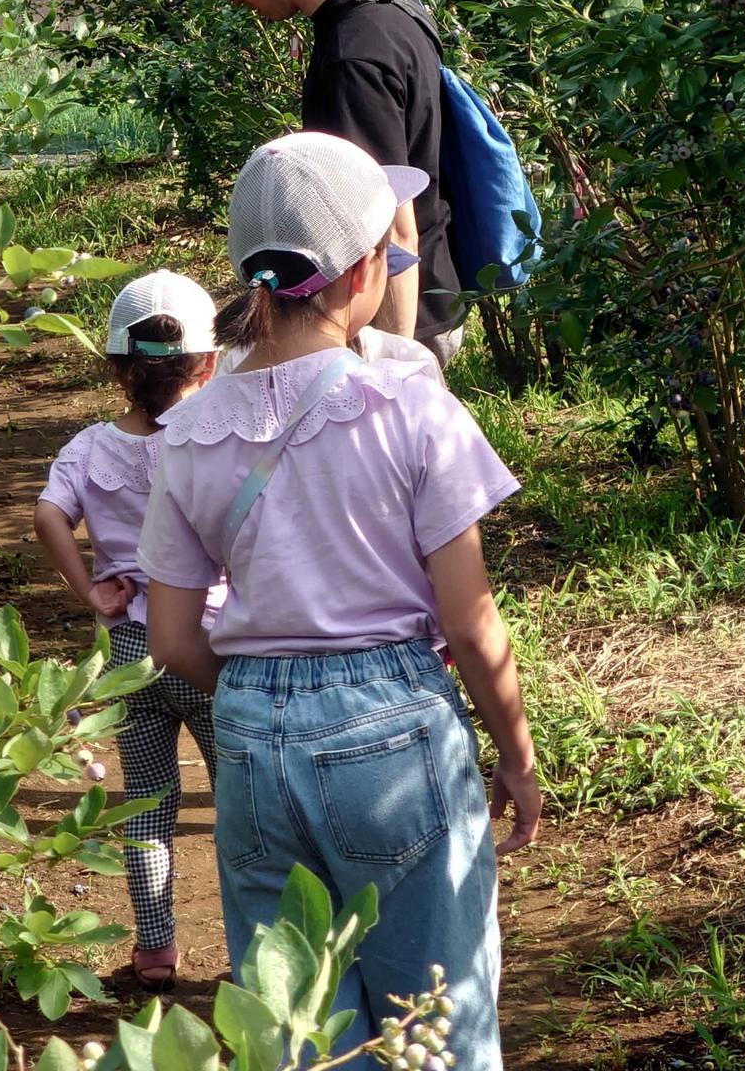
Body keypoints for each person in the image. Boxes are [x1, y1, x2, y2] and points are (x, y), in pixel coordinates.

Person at [138, 130, 539, 1068]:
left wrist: (254, 693)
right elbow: (472, 626)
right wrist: (515, 757)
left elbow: (168, 637)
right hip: (392, 728)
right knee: (433, 1024)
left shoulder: (188, 432)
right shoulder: (408, 407)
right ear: (363, 273)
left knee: (298, 1030)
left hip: (247, 737)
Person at [175, 0, 464, 369]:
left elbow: (393, 230)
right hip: (428, 294)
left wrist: (392, 367)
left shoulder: (352, 59)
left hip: (394, 322)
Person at [33, 270, 224, 990]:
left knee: (146, 797)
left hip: (133, 650)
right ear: (208, 364)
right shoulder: (213, 438)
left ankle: (153, 951)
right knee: (238, 799)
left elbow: (48, 515)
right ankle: (255, 942)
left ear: (117, 366)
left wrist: (89, 589)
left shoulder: (89, 447)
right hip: (207, 640)